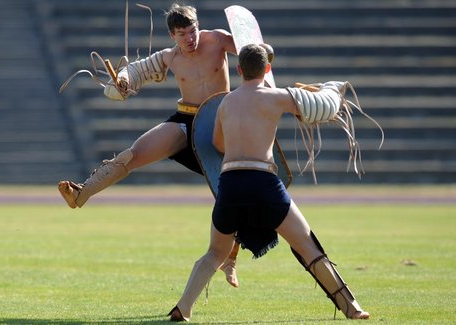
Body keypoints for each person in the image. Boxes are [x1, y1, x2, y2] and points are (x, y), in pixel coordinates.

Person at [168, 44, 370, 321]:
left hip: (229, 183)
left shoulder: (225, 102)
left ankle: (183, 307)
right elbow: (322, 107)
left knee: (215, 253)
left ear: (239, 70)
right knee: (308, 247)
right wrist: (330, 87)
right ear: (267, 69)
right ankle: (353, 308)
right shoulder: (277, 97)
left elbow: (216, 143)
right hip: (263, 182)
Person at [57, 3, 240, 288]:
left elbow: (253, 52)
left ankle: (230, 261)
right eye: (182, 34)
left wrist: (262, 58)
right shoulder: (169, 57)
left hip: (220, 125)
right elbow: (136, 72)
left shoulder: (217, 39)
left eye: (192, 30)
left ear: (198, 26)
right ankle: (82, 193)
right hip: (186, 119)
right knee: (135, 153)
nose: (190, 38)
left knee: (231, 193)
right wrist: (123, 81)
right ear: (173, 36)